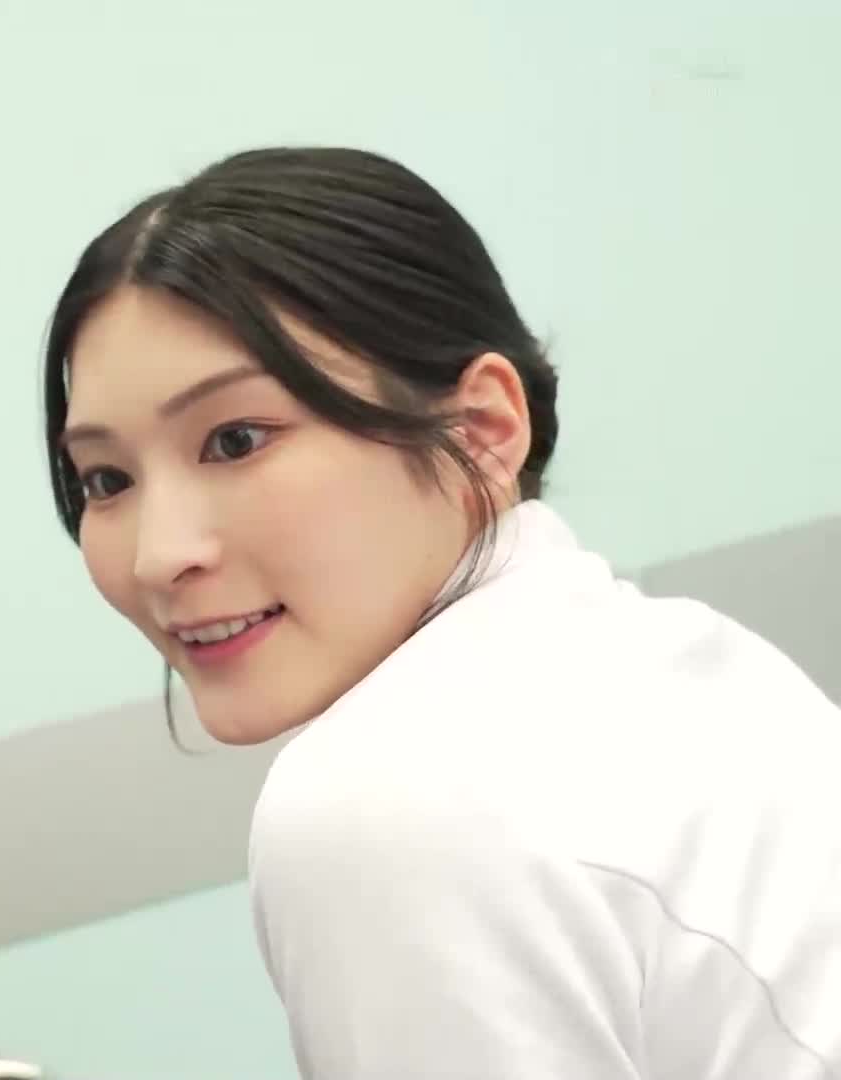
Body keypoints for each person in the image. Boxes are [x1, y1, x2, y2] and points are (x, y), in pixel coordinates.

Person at [41, 146, 841, 1077]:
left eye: (236, 439)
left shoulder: (380, 803)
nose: (158, 555)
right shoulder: (692, 666)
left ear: (482, 430)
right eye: (107, 480)